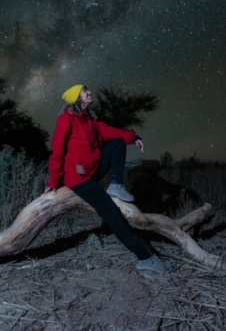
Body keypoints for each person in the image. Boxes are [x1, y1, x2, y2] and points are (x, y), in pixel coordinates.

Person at [46, 84, 172, 274]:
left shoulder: (92, 122)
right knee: (112, 213)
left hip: (92, 171)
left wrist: (133, 137)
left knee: (117, 143)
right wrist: (54, 182)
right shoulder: (67, 120)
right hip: (79, 179)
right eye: (85, 91)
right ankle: (146, 257)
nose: (90, 92)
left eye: (89, 90)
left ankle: (116, 185)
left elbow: (114, 132)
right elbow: (57, 152)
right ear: (76, 97)